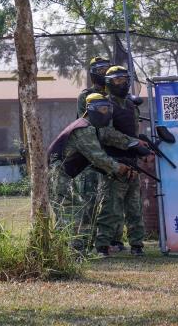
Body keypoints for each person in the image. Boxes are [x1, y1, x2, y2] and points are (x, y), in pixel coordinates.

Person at [47, 93, 139, 255]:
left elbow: (98, 156)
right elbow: (97, 157)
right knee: (71, 210)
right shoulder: (84, 129)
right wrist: (119, 168)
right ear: (90, 110)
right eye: (101, 109)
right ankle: (72, 252)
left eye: (107, 109)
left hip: (63, 175)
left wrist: (120, 164)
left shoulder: (91, 128)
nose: (105, 113)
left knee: (73, 209)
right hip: (58, 174)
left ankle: (68, 251)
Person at [95, 66, 146, 257]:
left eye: (125, 80)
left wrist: (141, 144)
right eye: (118, 80)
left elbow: (132, 132)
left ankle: (137, 245)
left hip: (132, 162)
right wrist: (132, 143)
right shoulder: (105, 105)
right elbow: (106, 134)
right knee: (111, 208)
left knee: (134, 207)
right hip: (113, 163)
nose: (123, 84)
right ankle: (102, 246)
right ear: (108, 83)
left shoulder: (131, 105)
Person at [75, 56, 115, 252]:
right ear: (92, 73)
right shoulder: (87, 96)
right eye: (99, 70)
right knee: (89, 200)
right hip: (91, 154)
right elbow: (93, 125)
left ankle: (108, 241)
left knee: (109, 201)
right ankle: (84, 243)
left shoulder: (114, 94)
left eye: (106, 69)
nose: (103, 73)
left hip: (111, 152)